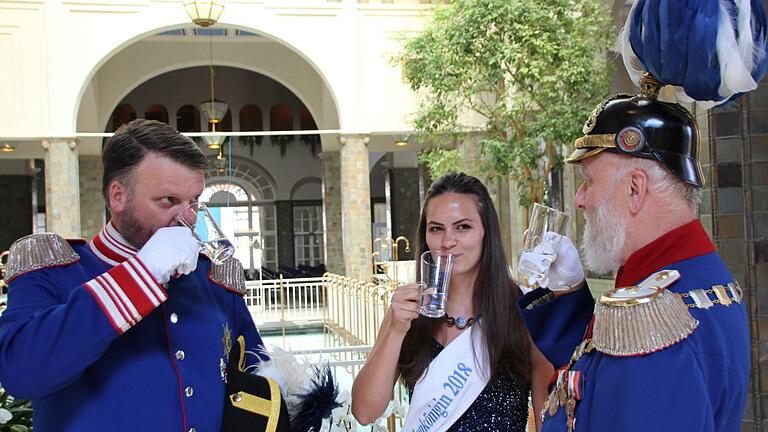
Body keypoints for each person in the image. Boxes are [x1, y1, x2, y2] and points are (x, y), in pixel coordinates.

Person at [0, 119, 265, 431]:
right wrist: (141, 274)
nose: (188, 218)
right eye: (168, 201)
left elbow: (254, 378)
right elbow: (20, 373)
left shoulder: (212, 278)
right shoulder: (52, 272)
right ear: (118, 196)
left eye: (193, 201)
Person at [518, 77, 749, 431]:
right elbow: (600, 383)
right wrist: (568, 293)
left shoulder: (655, 322)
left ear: (635, 189)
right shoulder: (692, 275)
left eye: (589, 181)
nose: (580, 199)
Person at [351, 173, 553, 431]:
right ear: (425, 237)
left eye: (463, 227)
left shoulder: (525, 313)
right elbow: (364, 412)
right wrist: (395, 329)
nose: (448, 242)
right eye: (436, 229)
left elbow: (549, 418)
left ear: (485, 232)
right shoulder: (407, 312)